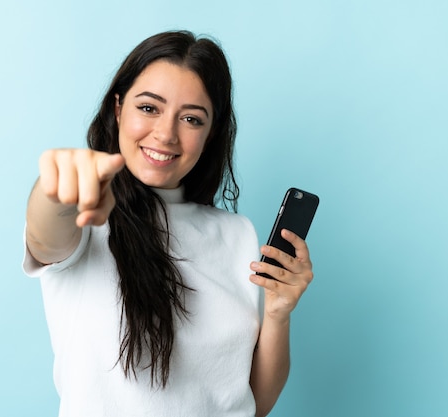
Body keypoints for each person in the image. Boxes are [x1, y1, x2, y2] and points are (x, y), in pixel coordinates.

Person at [23, 30, 314, 417]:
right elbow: (45, 235)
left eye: (191, 118)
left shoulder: (238, 235)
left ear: (210, 136)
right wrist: (53, 185)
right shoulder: (87, 217)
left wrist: (278, 313)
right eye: (148, 108)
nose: (165, 134)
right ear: (117, 108)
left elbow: (253, 404)